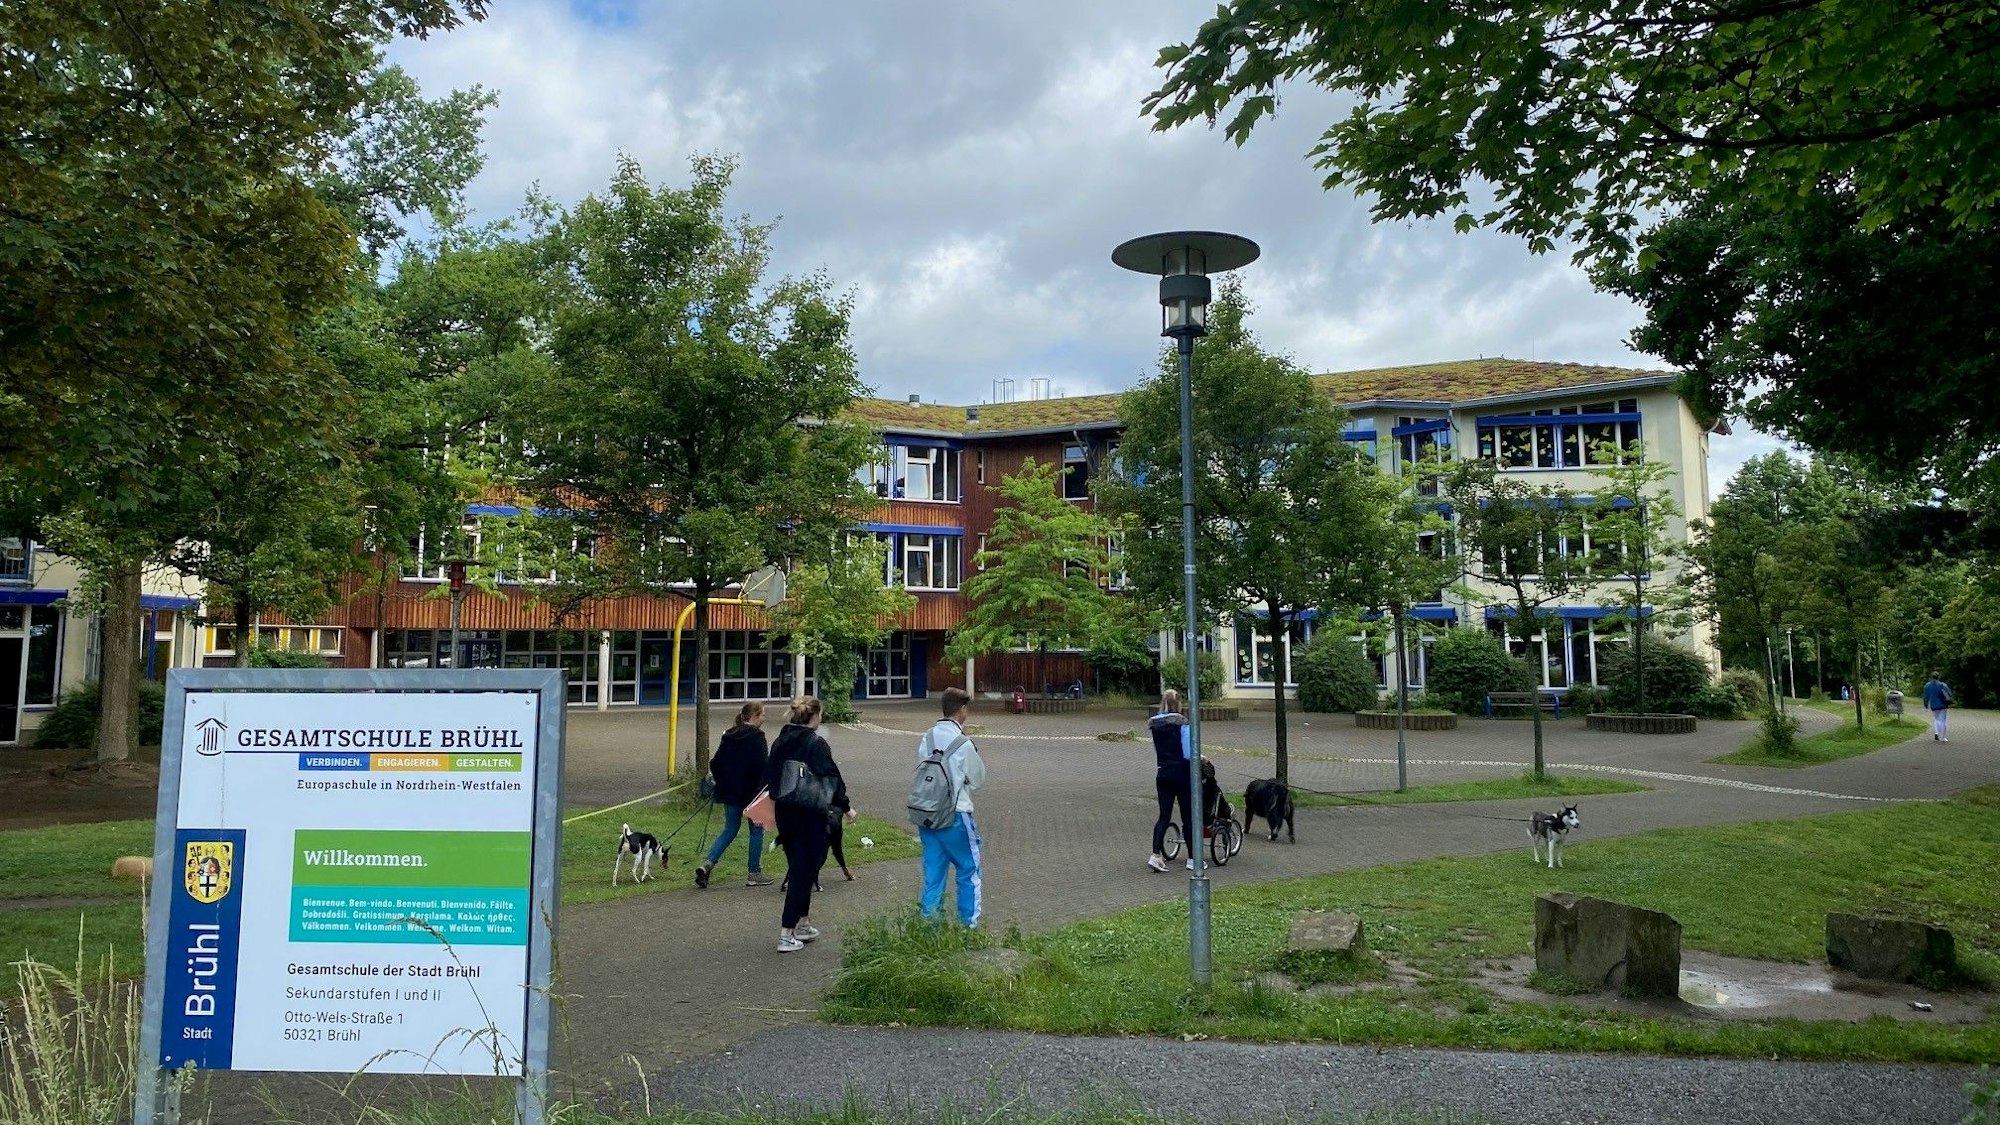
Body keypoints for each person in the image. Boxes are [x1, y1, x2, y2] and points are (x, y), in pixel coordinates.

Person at [763, 696, 852, 952]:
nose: (822, 718)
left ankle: (803, 923)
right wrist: (845, 806)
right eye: (821, 714)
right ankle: (786, 933)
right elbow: (833, 779)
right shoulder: (816, 744)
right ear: (814, 717)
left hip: (785, 812)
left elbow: (769, 775)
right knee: (804, 872)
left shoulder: (781, 741)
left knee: (798, 866)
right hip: (810, 813)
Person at [916, 687, 986, 926]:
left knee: (933, 876)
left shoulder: (928, 737)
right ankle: (969, 927)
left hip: (928, 814)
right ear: (962, 710)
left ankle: (929, 929)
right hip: (956, 815)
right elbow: (977, 779)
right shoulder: (963, 743)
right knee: (969, 871)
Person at [696, 702, 771, 889]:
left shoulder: (729, 735)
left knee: (729, 829)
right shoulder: (758, 737)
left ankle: (708, 864)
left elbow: (715, 763)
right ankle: (754, 872)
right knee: (757, 830)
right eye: (762, 715)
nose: (764, 718)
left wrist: (724, 780)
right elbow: (762, 767)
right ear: (753, 716)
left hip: (730, 793)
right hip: (752, 794)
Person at [1148, 689, 1194, 873]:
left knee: (1164, 816)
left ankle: (1156, 855)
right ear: (1179, 704)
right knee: (1188, 816)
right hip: (1182, 773)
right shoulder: (1183, 725)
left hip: (1163, 772)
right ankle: (1192, 858)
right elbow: (1189, 754)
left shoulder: (1156, 726)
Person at [1923, 672, 1954, 742]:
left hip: (1934, 705)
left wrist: (1926, 704)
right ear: (1939, 677)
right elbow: (1950, 693)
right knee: (1943, 720)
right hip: (1943, 704)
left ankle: (1936, 733)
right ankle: (1943, 737)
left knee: (1936, 719)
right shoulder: (1943, 685)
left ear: (1931, 677)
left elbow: (1926, 696)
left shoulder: (1927, 686)